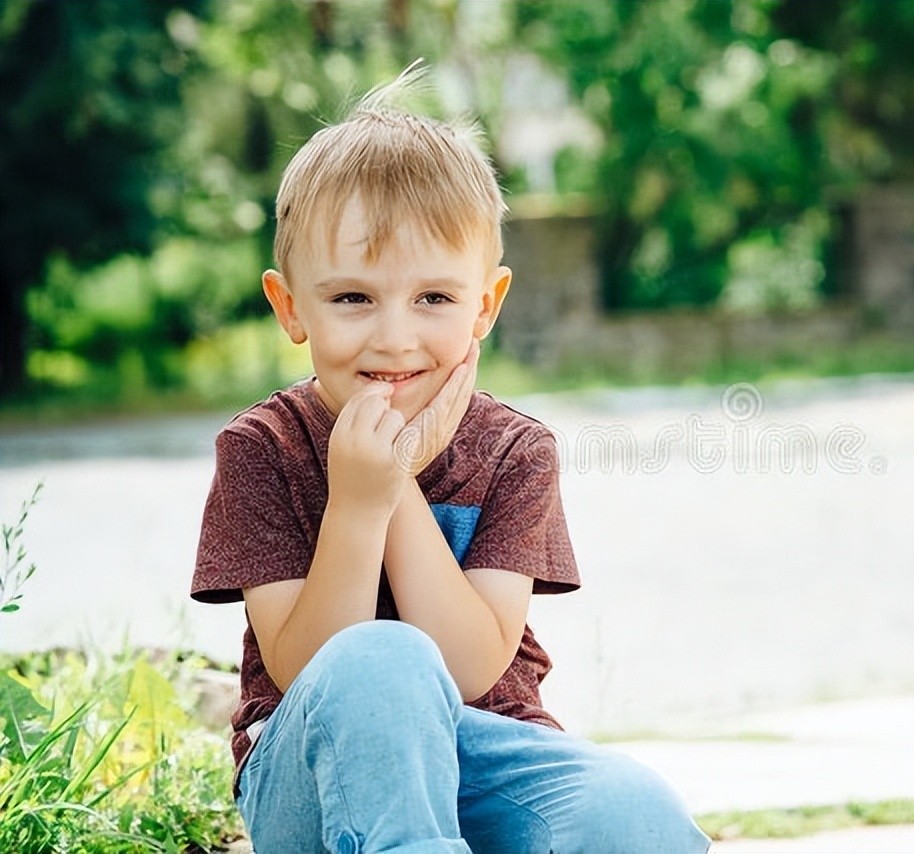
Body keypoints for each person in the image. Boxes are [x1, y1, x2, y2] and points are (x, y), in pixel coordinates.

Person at [190, 65, 712, 854]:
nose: (395, 336)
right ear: (291, 307)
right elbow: (304, 667)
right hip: (316, 770)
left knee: (640, 814)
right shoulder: (262, 450)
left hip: (486, 750)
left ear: (485, 305)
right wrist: (359, 501)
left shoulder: (515, 453)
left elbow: (469, 669)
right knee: (381, 659)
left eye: (433, 298)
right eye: (353, 298)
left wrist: (393, 483)